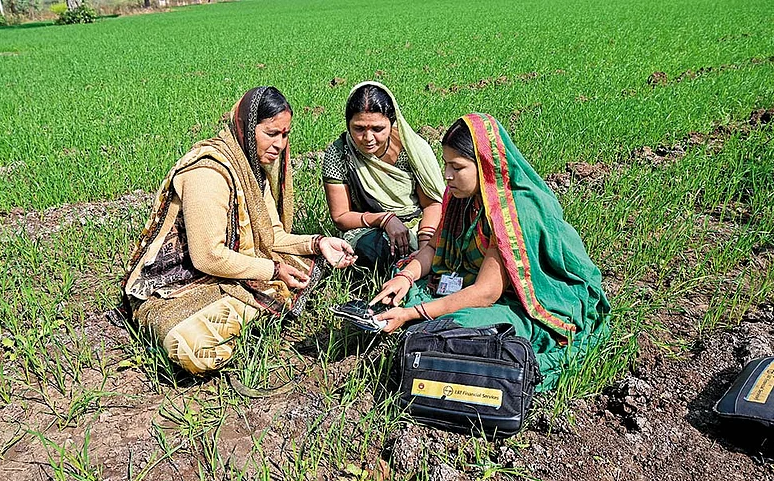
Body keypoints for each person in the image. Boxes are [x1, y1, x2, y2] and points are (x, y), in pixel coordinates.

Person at [122, 86, 356, 374]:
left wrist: (318, 243)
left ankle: (256, 310)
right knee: (190, 347)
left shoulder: (254, 170)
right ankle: (261, 309)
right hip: (179, 285)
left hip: (231, 271)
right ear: (245, 127)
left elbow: (274, 237)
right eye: (271, 133)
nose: (280, 144)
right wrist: (273, 271)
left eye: (285, 135)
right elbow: (207, 257)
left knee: (314, 261)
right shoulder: (208, 173)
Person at [371, 113, 610, 391]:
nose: (447, 175)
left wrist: (413, 313)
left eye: (456, 167)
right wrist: (406, 277)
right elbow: (434, 246)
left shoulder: (514, 212)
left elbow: (486, 293)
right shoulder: (462, 195)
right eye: (445, 164)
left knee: (458, 326)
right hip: (472, 283)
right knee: (400, 283)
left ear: (484, 166)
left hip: (522, 303)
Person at [322, 82, 446, 272]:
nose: (368, 138)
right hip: (370, 226)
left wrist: (425, 248)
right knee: (376, 251)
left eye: (378, 129)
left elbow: (432, 204)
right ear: (348, 124)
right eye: (359, 128)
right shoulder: (339, 154)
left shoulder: (412, 150)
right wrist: (385, 219)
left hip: (420, 224)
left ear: (392, 122)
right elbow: (340, 216)